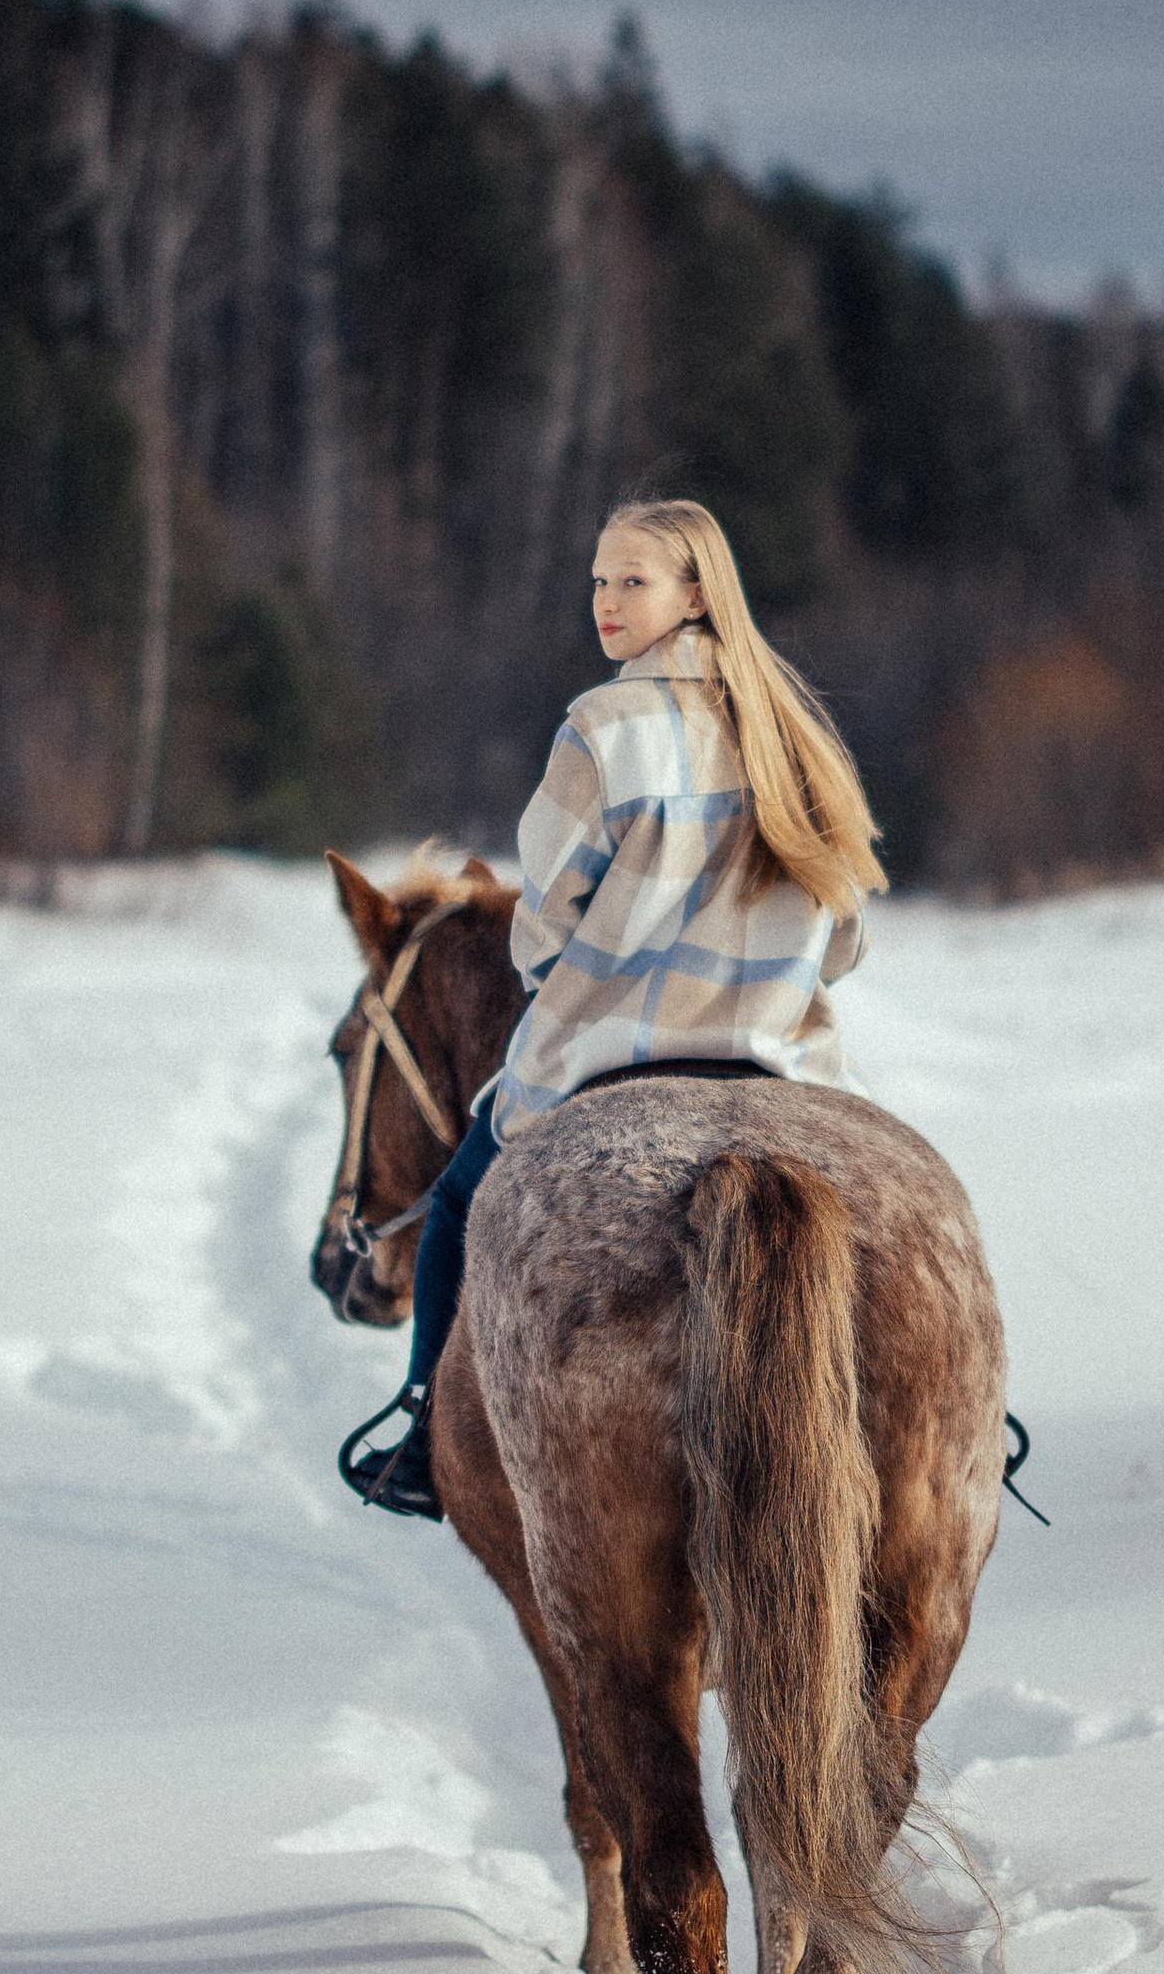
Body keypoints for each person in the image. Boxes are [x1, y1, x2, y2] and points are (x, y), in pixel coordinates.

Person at [345, 496, 886, 1520]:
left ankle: (420, 1430)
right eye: (599, 579)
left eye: (632, 580)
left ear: (695, 594)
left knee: (457, 1205)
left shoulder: (598, 729)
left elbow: (544, 926)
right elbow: (847, 934)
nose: (605, 600)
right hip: (782, 1063)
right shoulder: (795, 732)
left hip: (608, 1060)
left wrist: (594, 974)